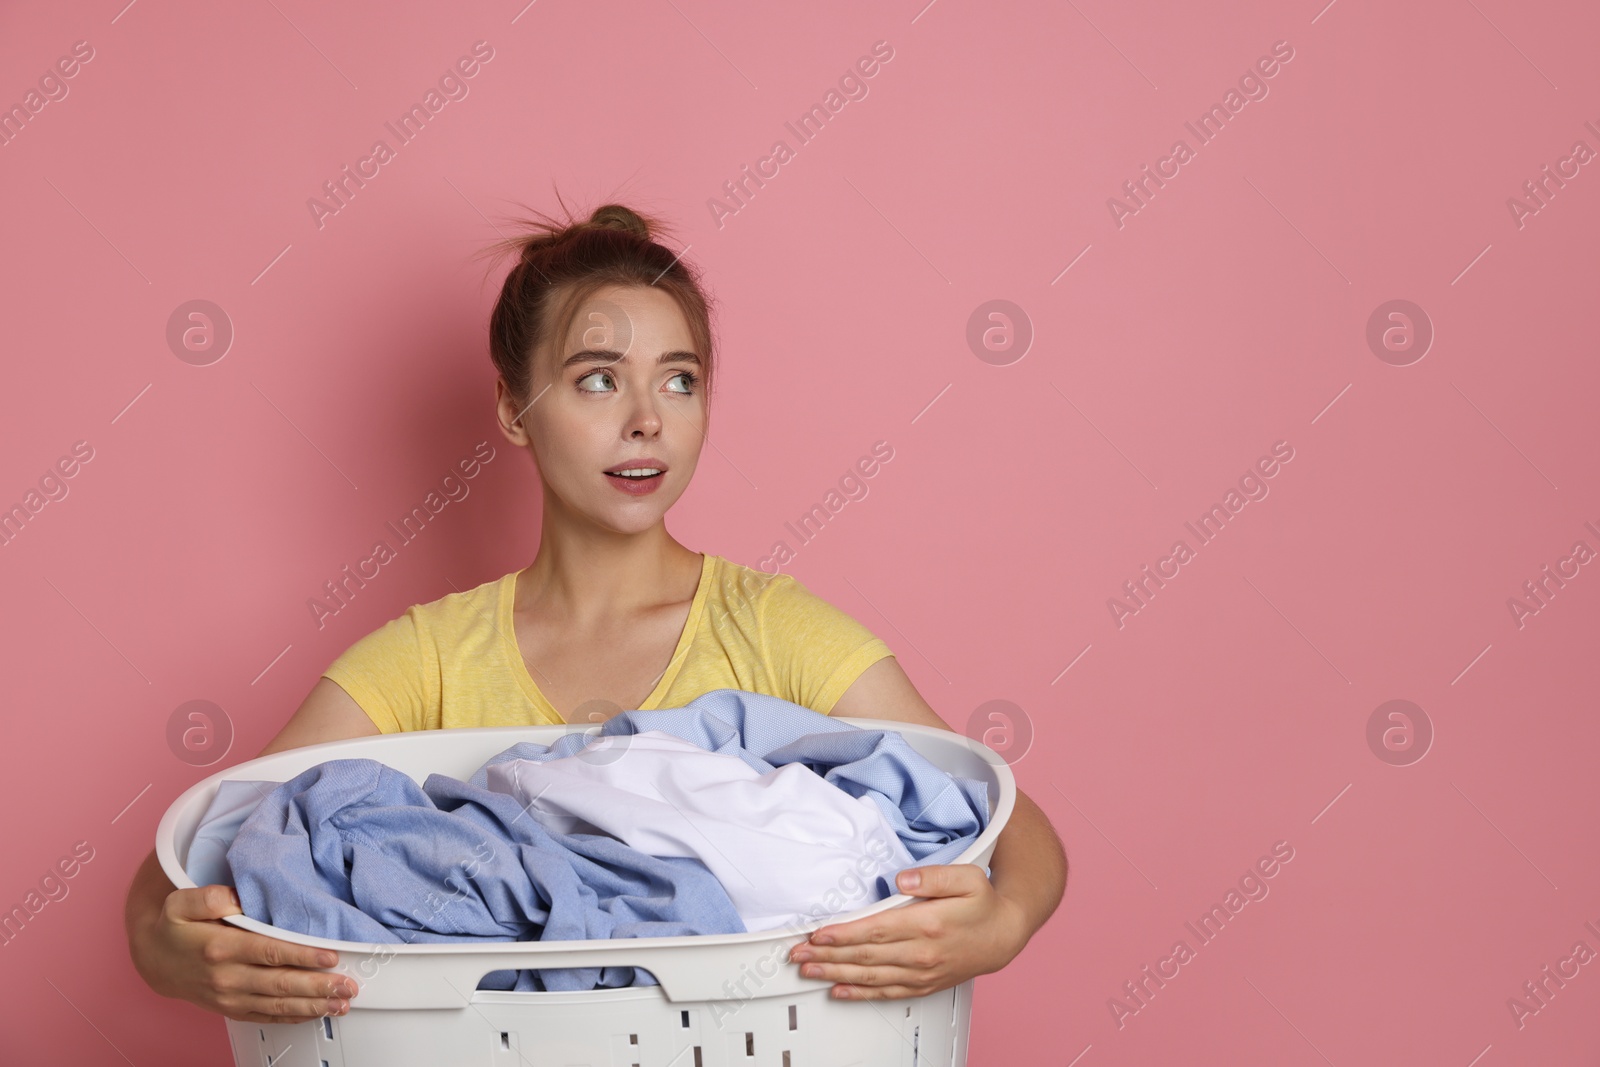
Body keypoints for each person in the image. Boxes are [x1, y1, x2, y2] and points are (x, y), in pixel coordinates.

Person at [123, 199, 1067, 1025]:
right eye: (599, 378)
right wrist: (173, 955)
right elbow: (201, 844)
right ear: (512, 408)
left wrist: (1002, 920)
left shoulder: (776, 630)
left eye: (680, 378)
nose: (648, 418)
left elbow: (1008, 819)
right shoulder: (424, 659)